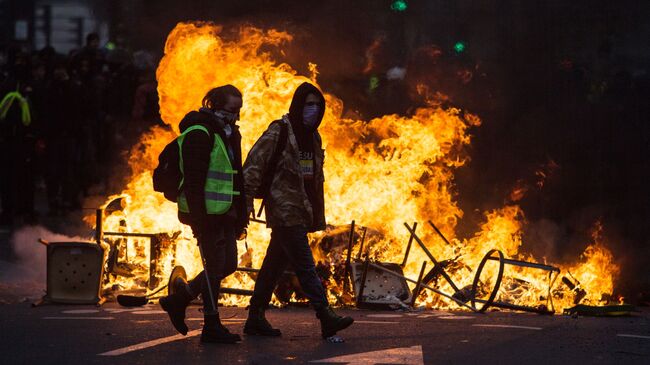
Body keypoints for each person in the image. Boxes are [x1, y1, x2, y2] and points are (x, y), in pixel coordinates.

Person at [243, 82, 354, 339]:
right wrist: (246, 201)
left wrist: (317, 214)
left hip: (301, 211)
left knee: (273, 266)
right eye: (308, 105)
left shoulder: (313, 137)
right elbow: (253, 166)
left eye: (318, 105)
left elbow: (313, 178)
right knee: (305, 264)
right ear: (297, 105)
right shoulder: (279, 131)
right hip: (284, 209)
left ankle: (255, 317)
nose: (313, 110)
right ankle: (325, 315)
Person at [159, 85, 248, 344]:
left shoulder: (231, 133)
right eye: (232, 110)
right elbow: (194, 182)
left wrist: (241, 216)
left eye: (239, 110)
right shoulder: (199, 133)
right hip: (207, 214)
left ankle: (180, 299)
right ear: (215, 106)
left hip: (226, 212)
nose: (236, 115)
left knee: (228, 264)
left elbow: (236, 177)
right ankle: (211, 324)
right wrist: (198, 219)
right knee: (215, 266)